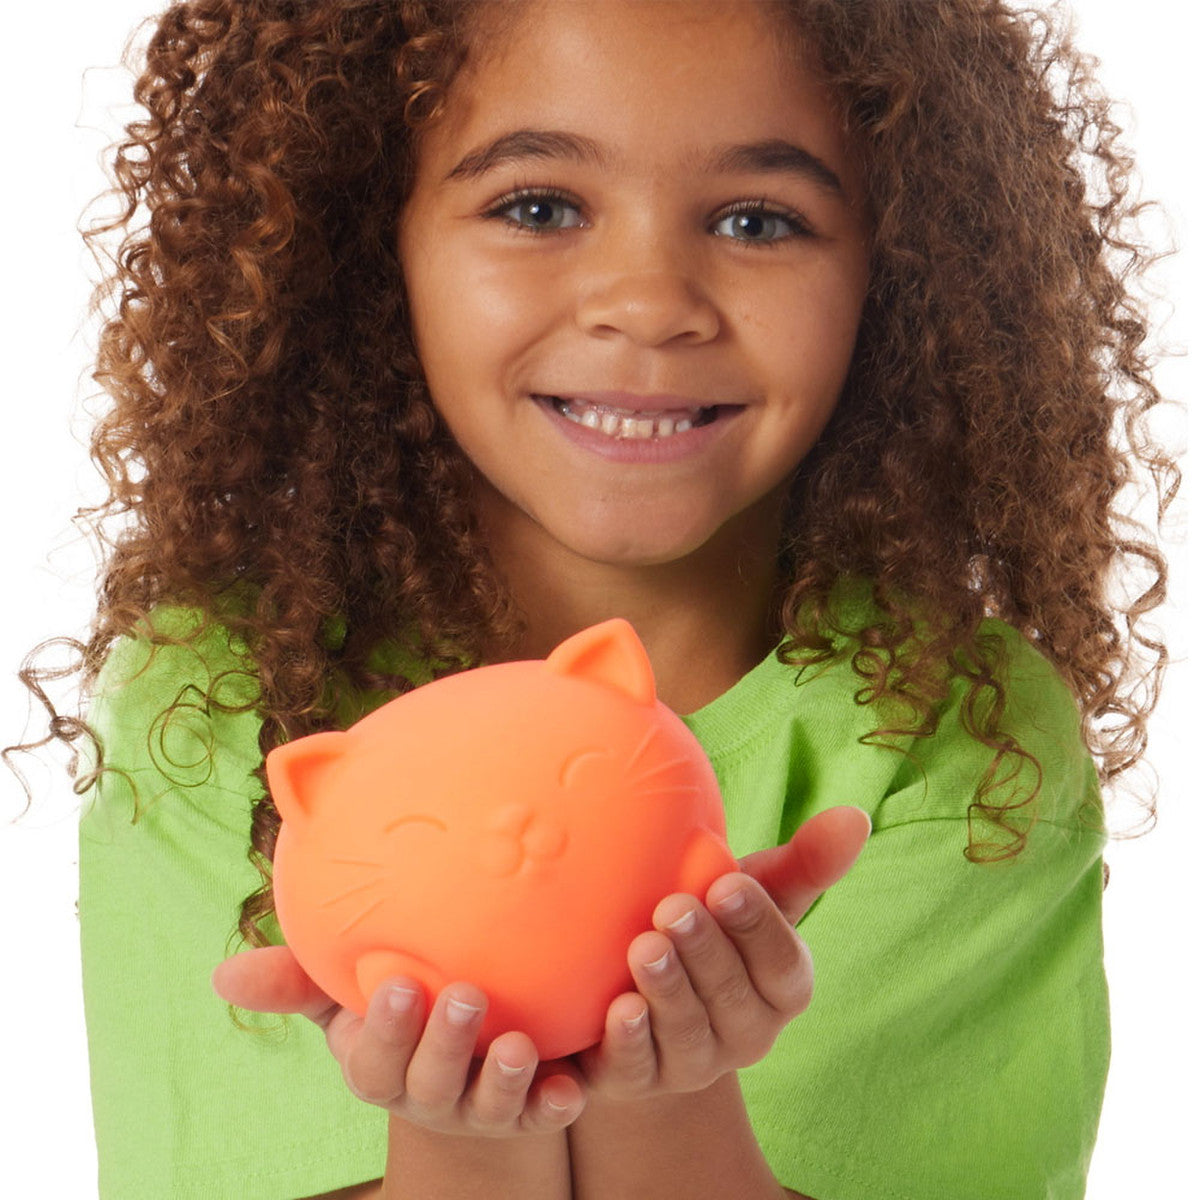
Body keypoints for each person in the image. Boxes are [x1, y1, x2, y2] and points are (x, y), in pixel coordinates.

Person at [16, 0, 1177, 1197]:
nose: (647, 300)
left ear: (904, 273)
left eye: (757, 219)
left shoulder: (959, 742)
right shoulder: (222, 705)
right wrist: (469, 1141)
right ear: (372, 245)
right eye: (537, 207)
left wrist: (672, 1111)